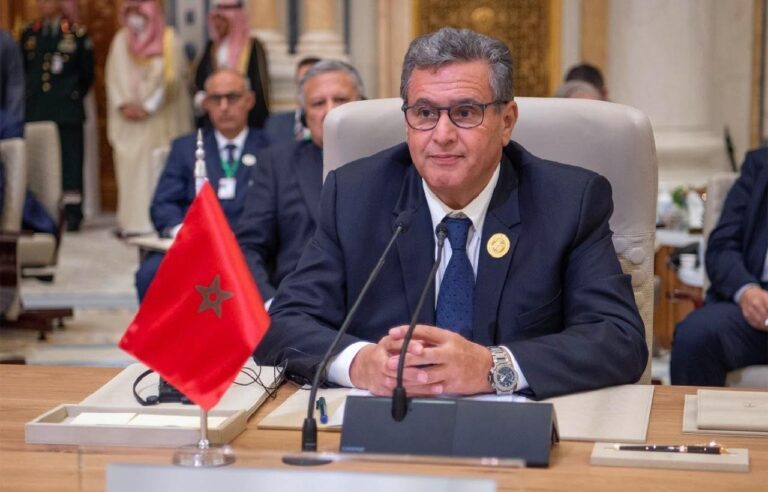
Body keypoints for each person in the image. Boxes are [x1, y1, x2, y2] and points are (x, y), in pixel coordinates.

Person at [253, 28, 647, 400]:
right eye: (425, 113)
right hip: (385, 426)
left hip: (520, 432)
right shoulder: (355, 196)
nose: (442, 135)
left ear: (506, 122)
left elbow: (620, 339)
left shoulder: (568, 201)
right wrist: (361, 364)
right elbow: (284, 323)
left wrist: (492, 367)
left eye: (465, 112)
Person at [236, 59, 365, 302]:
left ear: (361, 105)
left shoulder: (396, 160)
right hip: (297, 305)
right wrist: (270, 304)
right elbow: (249, 246)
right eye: (318, 103)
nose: (330, 111)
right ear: (304, 116)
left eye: (340, 100)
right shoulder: (277, 164)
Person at [134, 70, 269, 301]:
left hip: (252, 247)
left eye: (232, 97)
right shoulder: (185, 148)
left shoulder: (271, 148)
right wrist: (185, 231)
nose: (224, 107)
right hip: (197, 245)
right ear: (205, 104)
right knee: (150, 273)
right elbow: (163, 204)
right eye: (216, 99)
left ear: (249, 100)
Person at [671, 148, 768, 386]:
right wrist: (747, 292)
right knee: (695, 334)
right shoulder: (760, 165)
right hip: (757, 304)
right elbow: (722, 246)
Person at [106, 0, 192, 237]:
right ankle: (132, 222)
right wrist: (124, 105)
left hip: (159, 120)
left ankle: (155, 221)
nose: (135, 16)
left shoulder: (168, 40)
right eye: (130, 11)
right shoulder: (120, 40)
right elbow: (113, 77)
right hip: (129, 123)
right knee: (131, 174)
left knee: (157, 170)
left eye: (139, 10)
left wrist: (149, 107)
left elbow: (173, 80)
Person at [19, 0, 94, 231]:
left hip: (67, 110)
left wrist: (70, 95)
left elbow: (86, 74)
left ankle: (72, 213)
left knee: (71, 164)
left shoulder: (76, 34)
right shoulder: (29, 33)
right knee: (39, 164)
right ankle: (41, 213)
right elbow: (24, 71)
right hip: (37, 110)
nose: (42, 4)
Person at [194, 0, 270, 129]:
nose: (217, 24)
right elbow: (200, 79)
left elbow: (259, 86)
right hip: (215, 117)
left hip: (246, 118)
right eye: (216, 19)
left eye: (222, 20)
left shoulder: (253, 46)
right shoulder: (211, 47)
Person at [263, 56, 320, 144]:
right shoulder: (275, 124)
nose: (306, 88)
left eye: (314, 82)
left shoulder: (335, 124)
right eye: (302, 82)